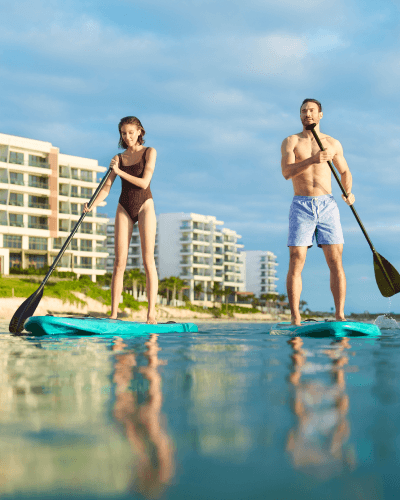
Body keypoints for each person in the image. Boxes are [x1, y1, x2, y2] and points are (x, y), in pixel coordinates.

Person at [281, 99, 355, 326]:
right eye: (303, 111)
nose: (307, 114)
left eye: (311, 110)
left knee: (335, 261)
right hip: (301, 204)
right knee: (296, 259)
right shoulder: (291, 141)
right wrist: (313, 160)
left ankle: (339, 316)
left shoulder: (332, 143)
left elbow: (345, 171)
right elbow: (286, 172)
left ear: (320, 114)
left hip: (328, 205)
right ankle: (295, 317)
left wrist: (348, 192)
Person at [84, 116, 158, 324]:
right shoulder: (119, 158)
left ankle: (151, 314)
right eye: (123, 133)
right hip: (124, 206)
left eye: (131, 132)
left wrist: (119, 172)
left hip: (145, 205)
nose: (127, 137)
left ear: (140, 131)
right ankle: (113, 314)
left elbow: (144, 183)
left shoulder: (149, 152)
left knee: (147, 260)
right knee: (119, 262)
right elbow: (106, 189)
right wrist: (92, 205)